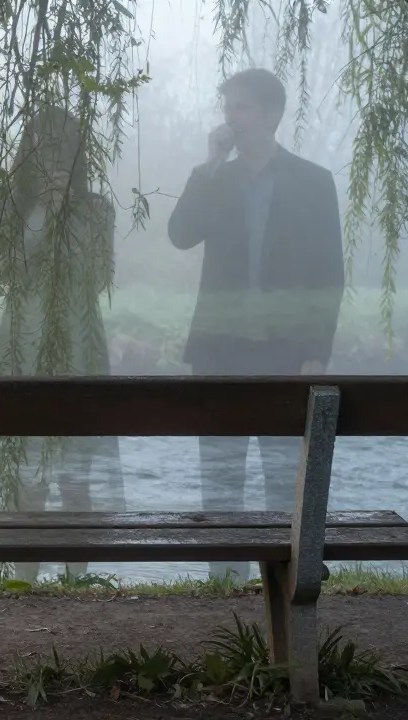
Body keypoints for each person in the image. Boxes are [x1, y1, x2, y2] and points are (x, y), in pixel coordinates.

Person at [167, 68, 345, 583]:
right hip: (219, 352)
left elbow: (328, 275)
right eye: (228, 107)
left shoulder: (313, 182)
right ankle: (224, 586)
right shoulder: (215, 178)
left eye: (242, 107)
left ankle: (279, 585)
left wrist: (317, 351)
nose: (231, 117)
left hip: (284, 353)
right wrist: (206, 165)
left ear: (271, 115)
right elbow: (180, 234)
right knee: (220, 479)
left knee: (282, 480)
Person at [0, 104, 126, 583]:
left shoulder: (97, 211)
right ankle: (23, 581)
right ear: (28, 151)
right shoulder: (8, 206)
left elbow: (97, 276)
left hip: (80, 350)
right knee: (24, 473)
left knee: (75, 476)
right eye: (41, 147)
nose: (51, 157)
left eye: (61, 147)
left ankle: (78, 582)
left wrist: (68, 214)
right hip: (21, 347)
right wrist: (41, 213)